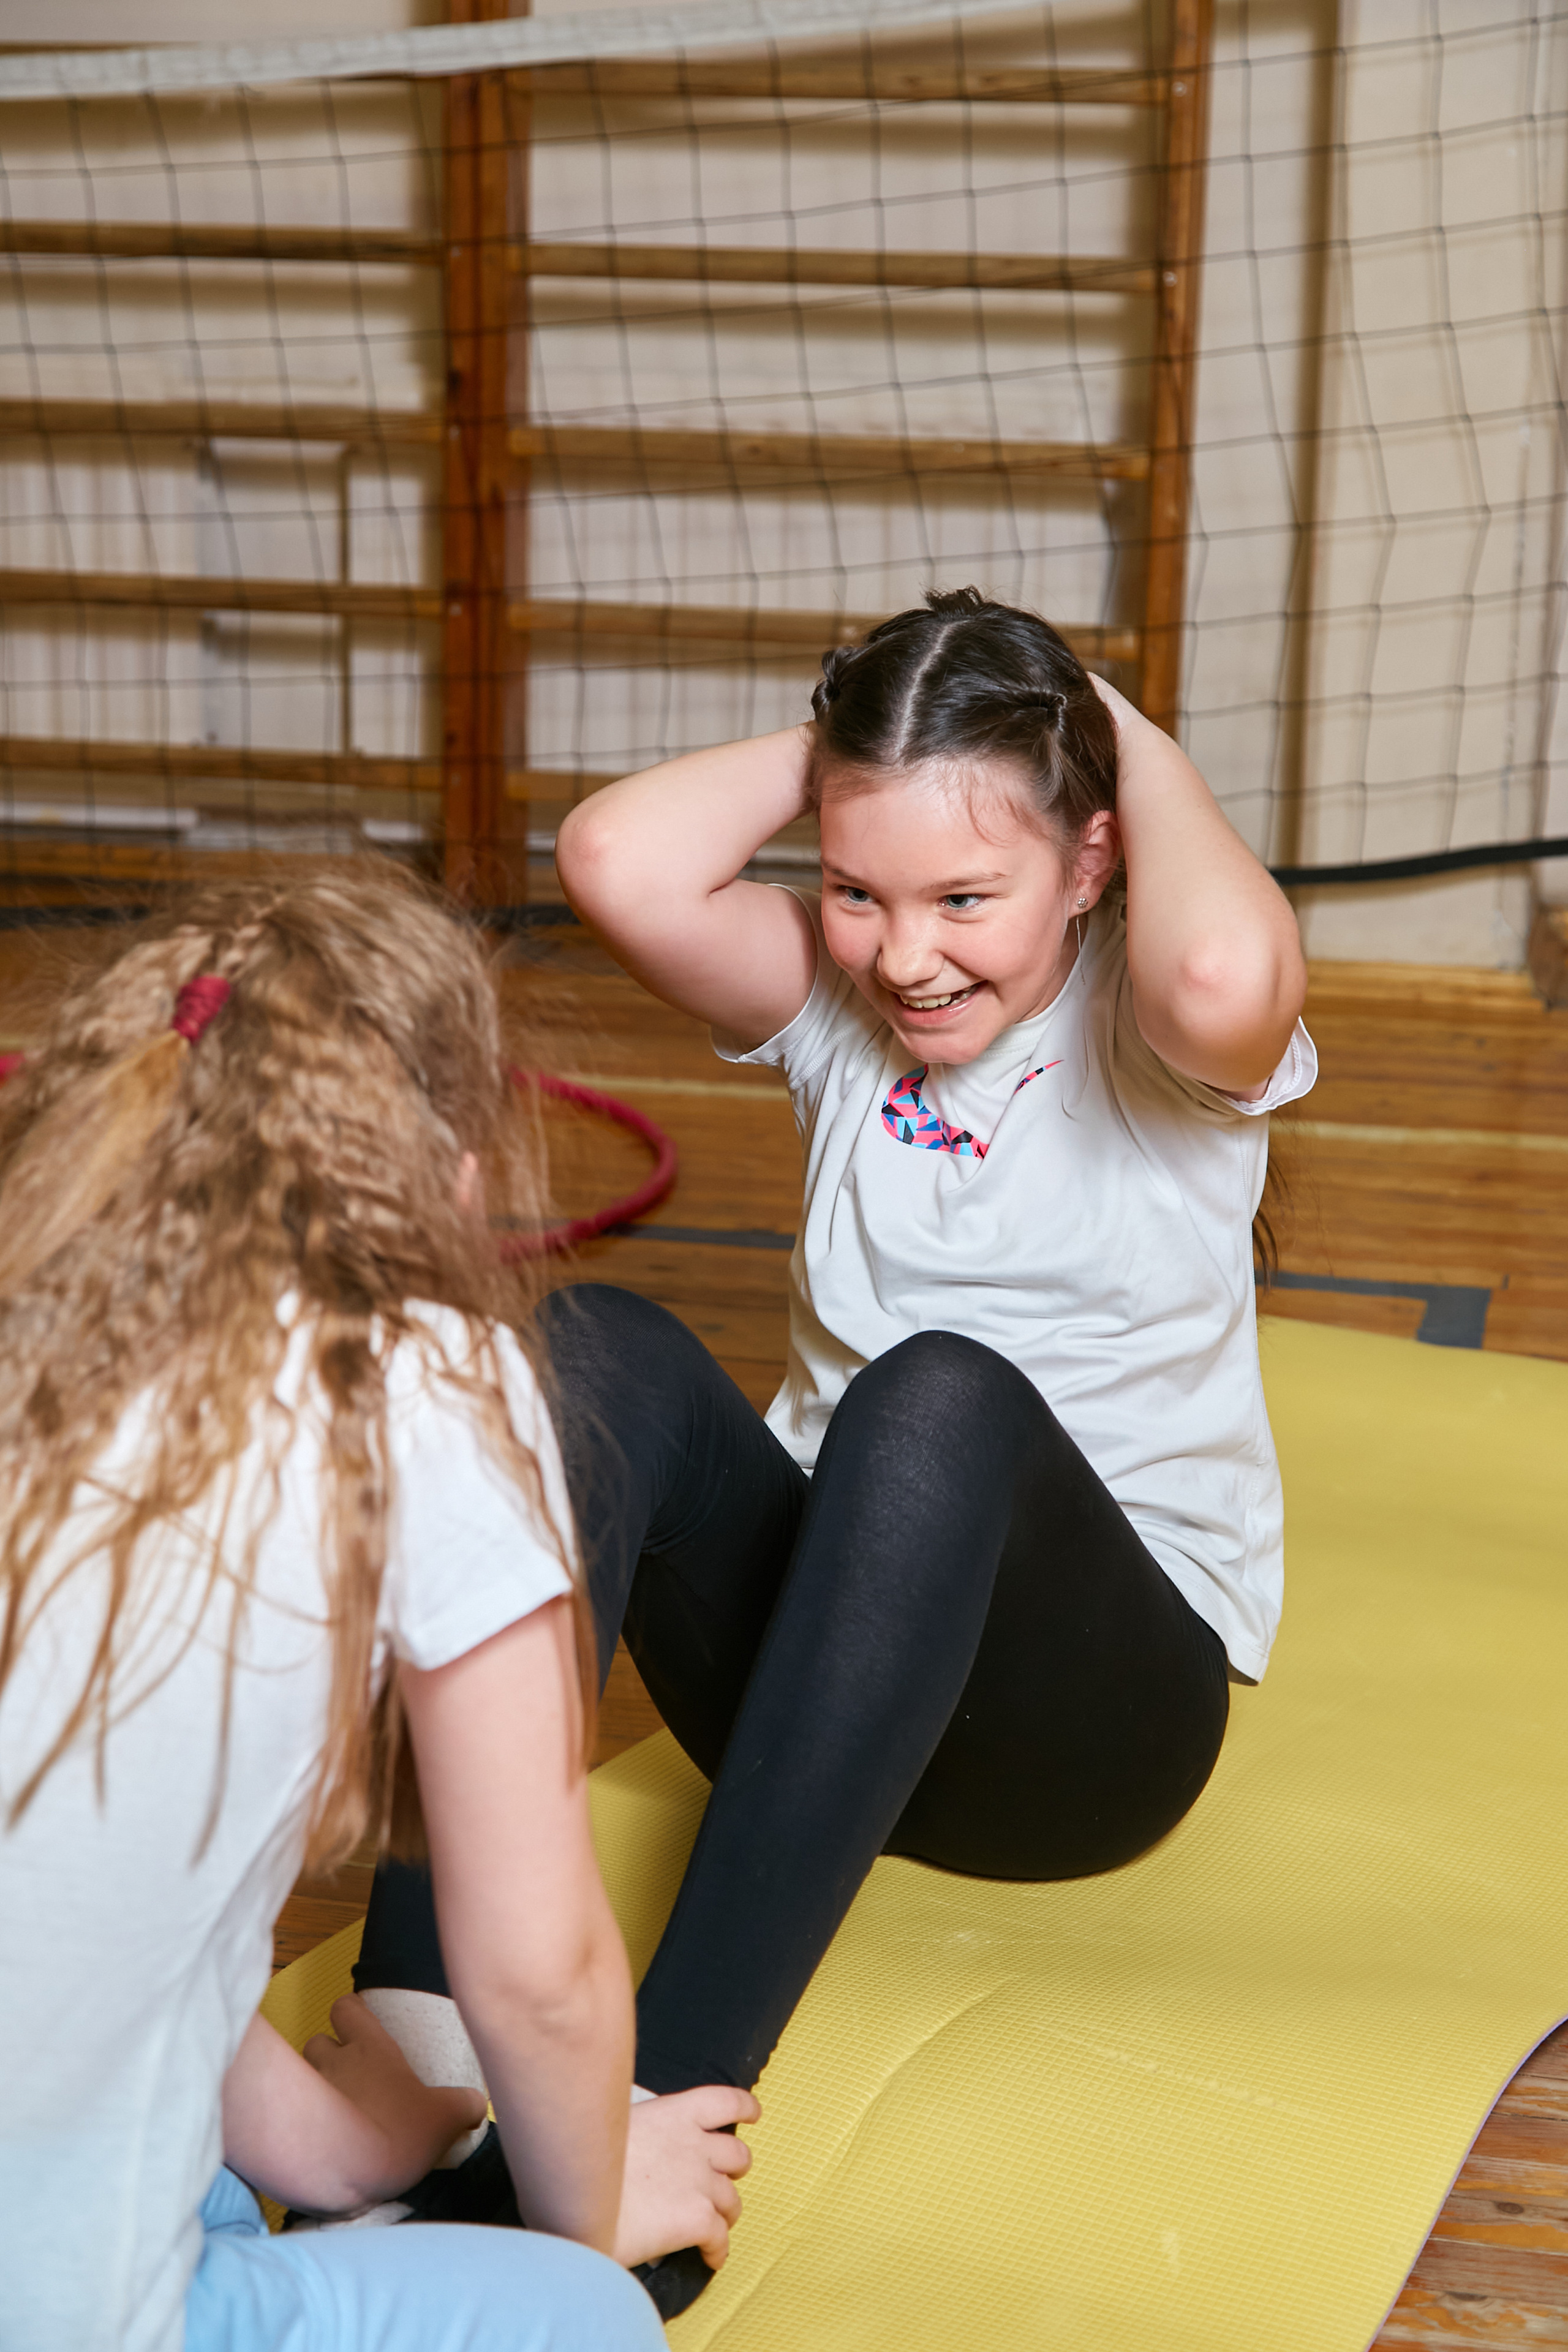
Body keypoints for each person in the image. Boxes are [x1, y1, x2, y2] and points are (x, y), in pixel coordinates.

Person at [352, 587, 1315, 2319]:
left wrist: (1089, 709)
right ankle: (408, 2057)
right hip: (816, 1696)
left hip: (1084, 1738)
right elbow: (618, 858)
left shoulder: (1163, 1037)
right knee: (600, 1345)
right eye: (859, 891)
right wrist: (882, 757)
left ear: (1092, 863)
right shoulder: (840, 1013)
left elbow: (1227, 964)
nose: (910, 953)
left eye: (969, 895)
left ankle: (653, 2136)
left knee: (933, 1392)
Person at [0, 865, 752, 2352]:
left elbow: (92, 1924)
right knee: (585, 2326)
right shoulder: (421, 1383)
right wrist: (591, 2228)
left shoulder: (36, 1337)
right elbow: (536, 1974)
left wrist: (342, 2151)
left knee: (221, 2180)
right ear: (454, 1178)